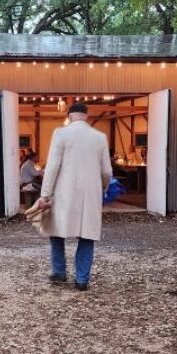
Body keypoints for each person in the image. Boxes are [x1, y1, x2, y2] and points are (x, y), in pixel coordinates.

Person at [38, 103, 112, 291]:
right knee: (87, 235)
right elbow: (106, 171)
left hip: (64, 192)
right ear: (86, 117)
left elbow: (53, 166)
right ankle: (81, 279)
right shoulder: (100, 137)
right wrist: (102, 188)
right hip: (90, 193)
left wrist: (45, 194)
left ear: (69, 116)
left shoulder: (61, 134)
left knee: (55, 230)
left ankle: (59, 272)